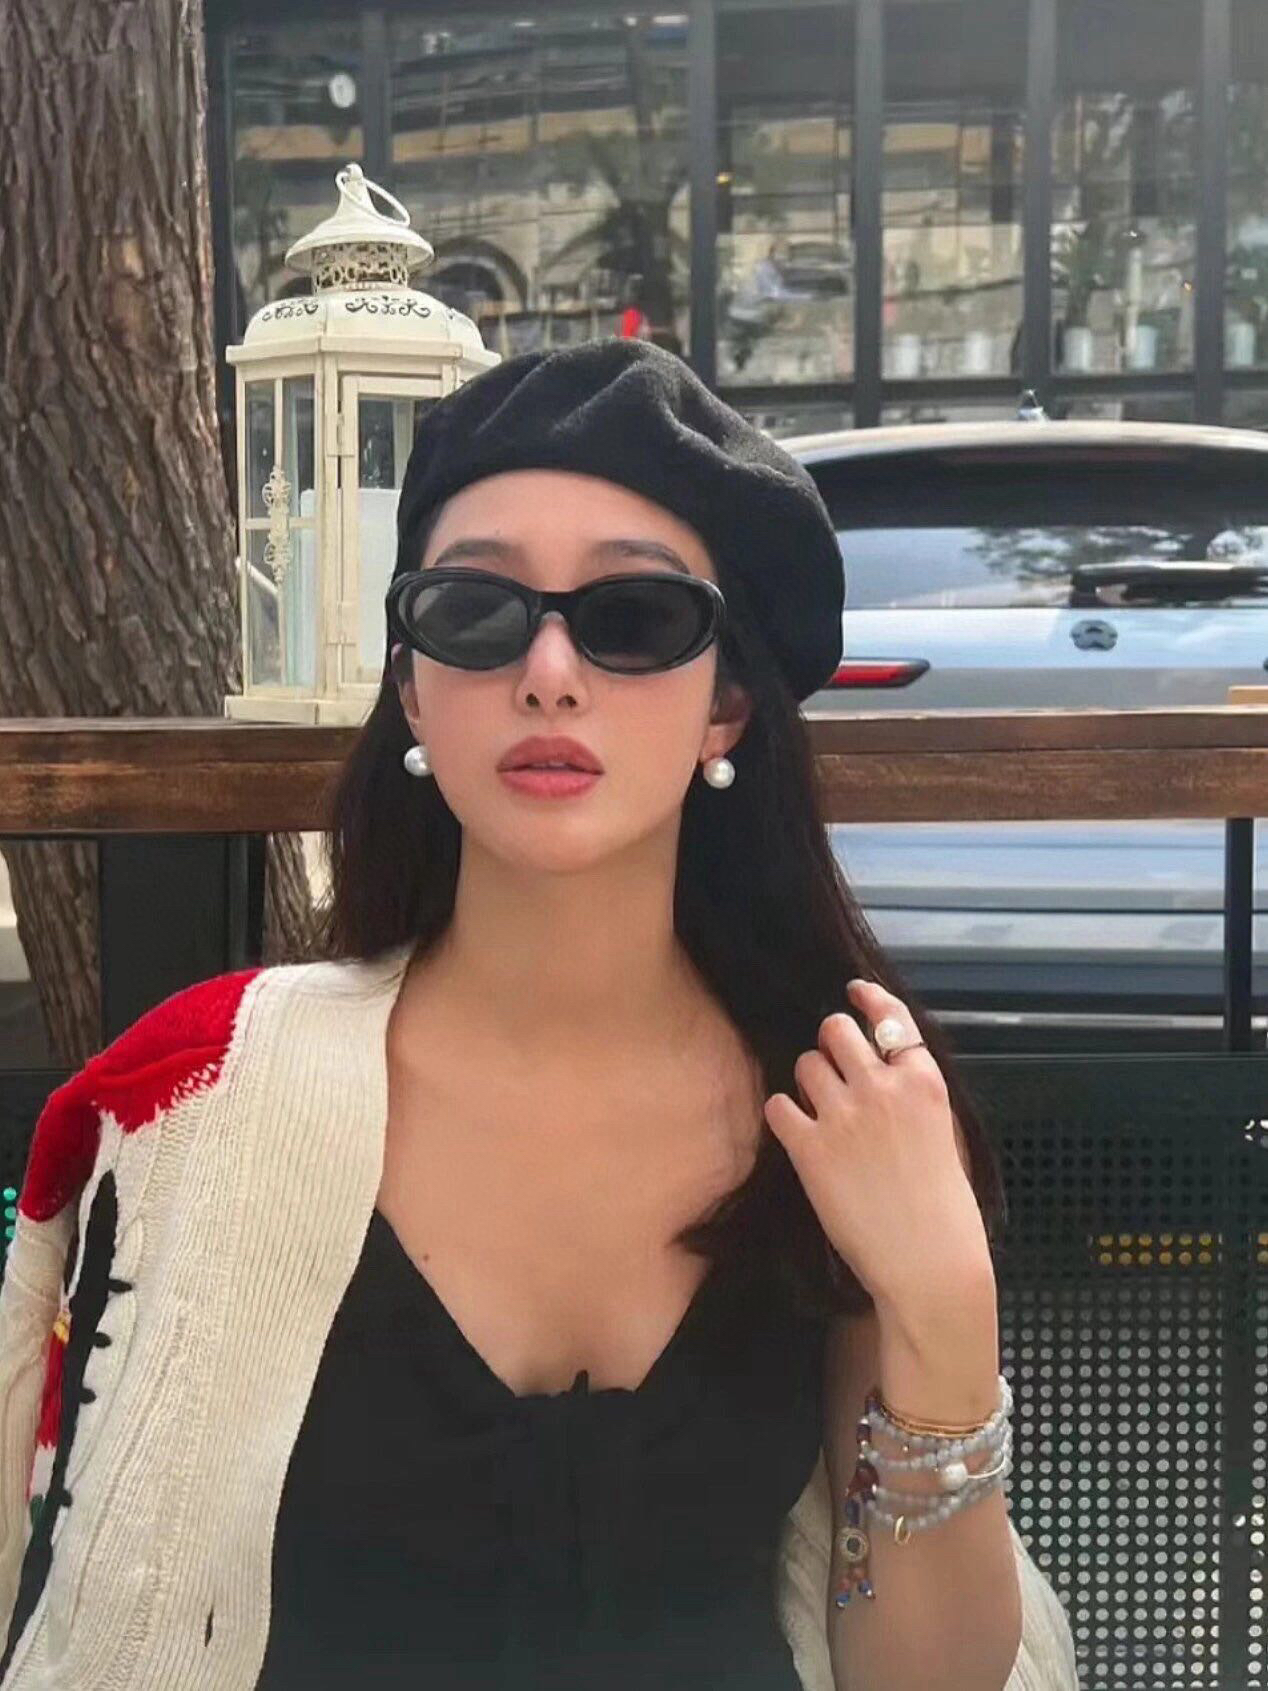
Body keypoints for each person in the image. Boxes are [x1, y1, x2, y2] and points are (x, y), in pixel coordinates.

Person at [0, 340, 1078, 1691]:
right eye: (477, 610)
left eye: (635, 616)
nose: (551, 671)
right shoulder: (199, 1102)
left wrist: (947, 1308)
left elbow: (921, 1678)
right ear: (412, 687)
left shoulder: (847, 1113)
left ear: (727, 705)